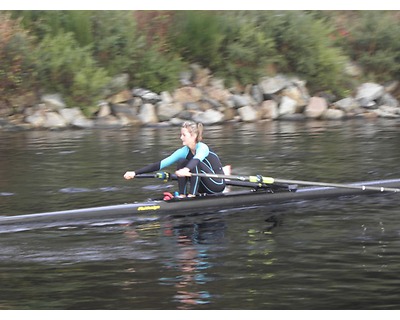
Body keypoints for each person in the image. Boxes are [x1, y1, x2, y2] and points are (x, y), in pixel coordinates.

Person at [123, 121, 226, 198]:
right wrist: (135, 172)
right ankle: (182, 195)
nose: (181, 137)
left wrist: (186, 170)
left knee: (193, 164)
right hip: (202, 185)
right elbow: (159, 165)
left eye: (184, 135)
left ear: (194, 136)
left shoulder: (202, 147)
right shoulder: (183, 151)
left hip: (216, 184)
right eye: (181, 135)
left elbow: (196, 160)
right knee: (181, 161)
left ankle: (192, 195)